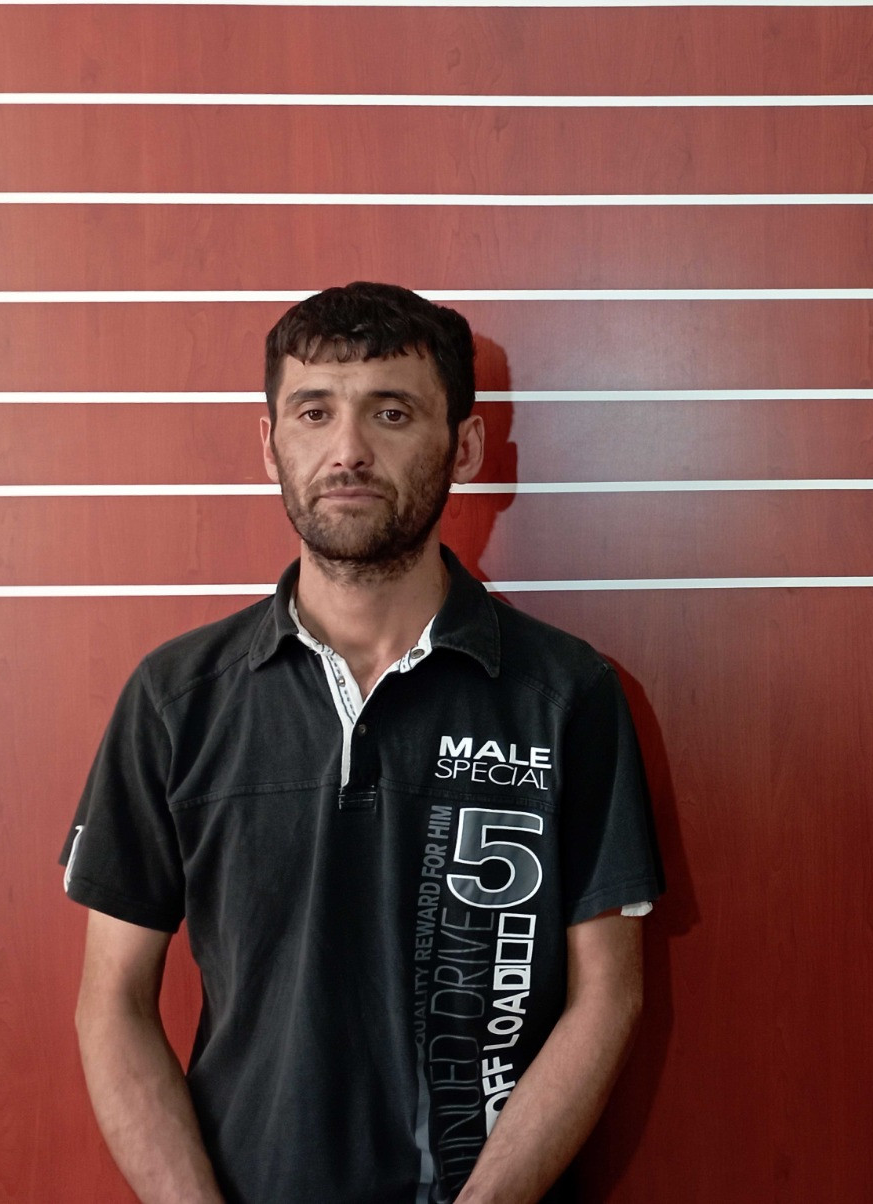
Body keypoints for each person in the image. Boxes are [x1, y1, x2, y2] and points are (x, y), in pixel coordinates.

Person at [61, 282, 664, 1204]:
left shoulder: (566, 695)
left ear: (464, 445)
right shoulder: (175, 700)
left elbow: (608, 994)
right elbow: (111, 1003)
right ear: (271, 445)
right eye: (314, 412)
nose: (347, 450)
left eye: (391, 412)